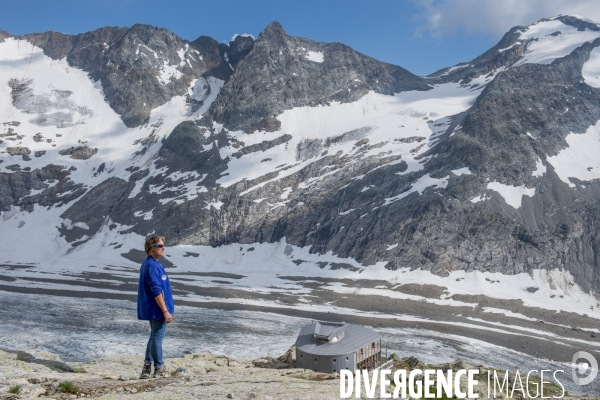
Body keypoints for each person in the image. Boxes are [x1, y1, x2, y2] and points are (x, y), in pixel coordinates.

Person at [137, 235, 174, 379]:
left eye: (163, 245)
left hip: (154, 308)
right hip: (157, 309)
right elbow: (156, 290)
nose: (163, 248)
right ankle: (159, 368)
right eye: (160, 246)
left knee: (153, 337)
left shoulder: (150, 263)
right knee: (157, 338)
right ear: (151, 248)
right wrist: (165, 310)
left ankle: (147, 367)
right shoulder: (152, 265)